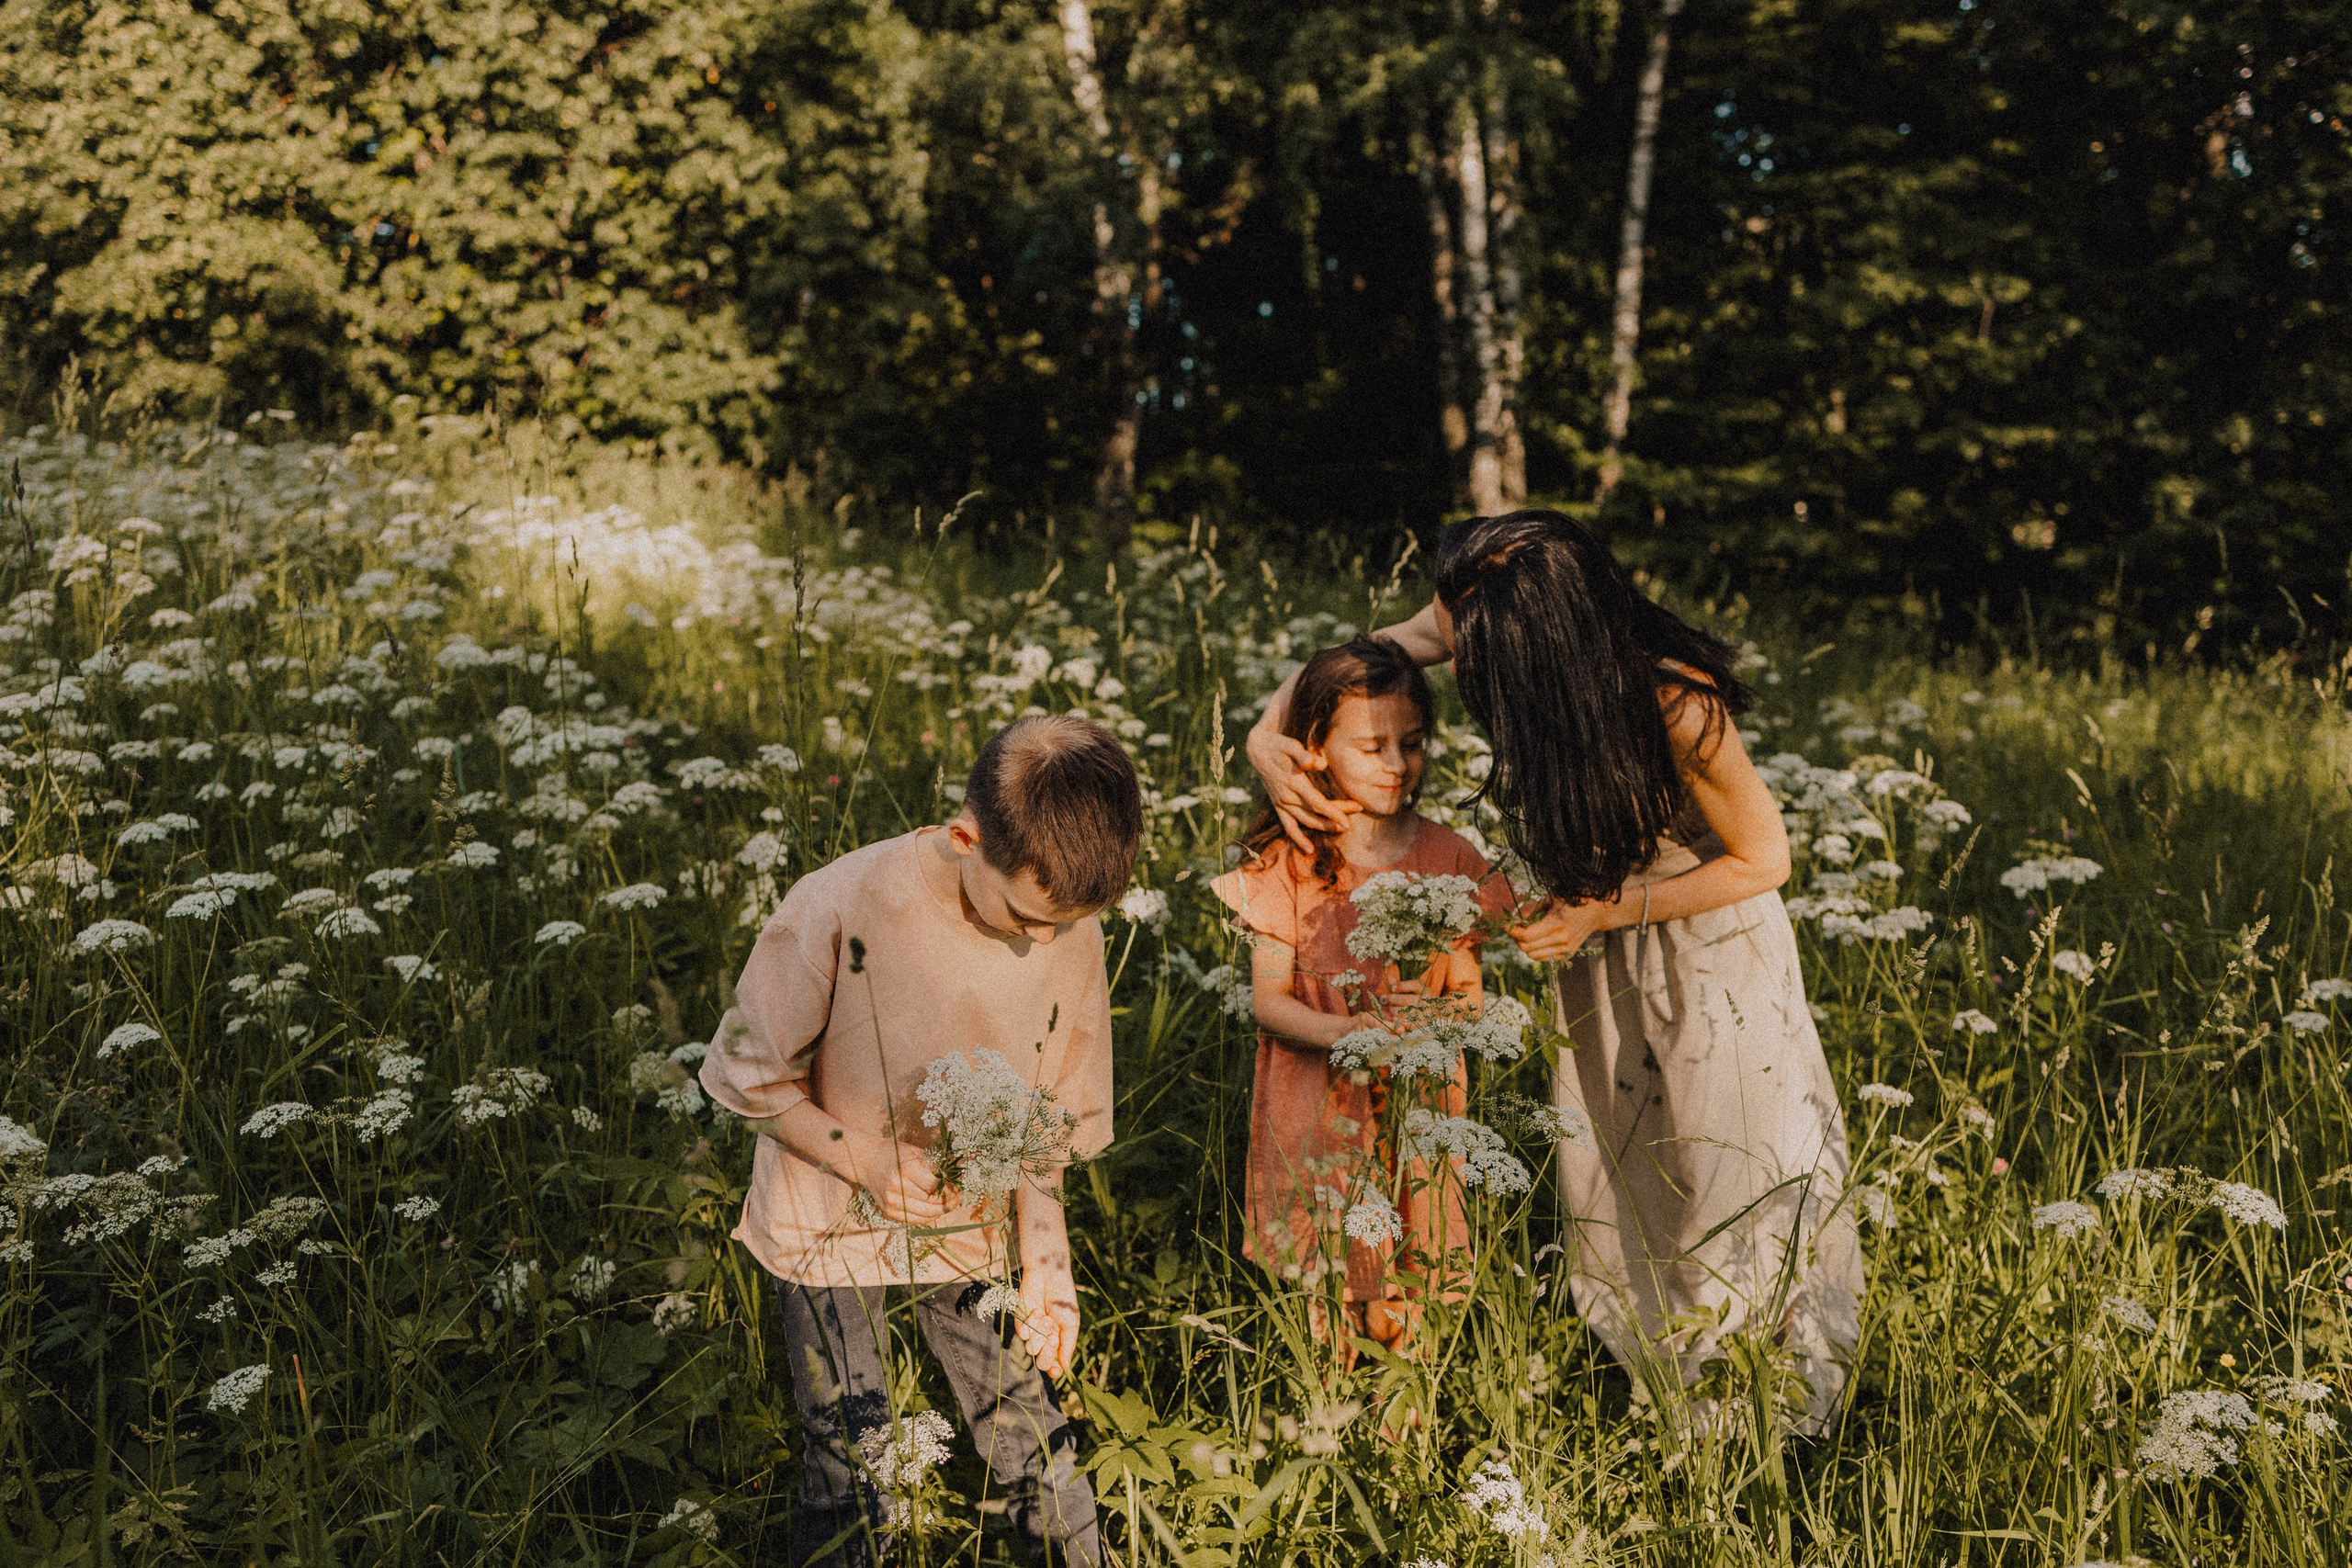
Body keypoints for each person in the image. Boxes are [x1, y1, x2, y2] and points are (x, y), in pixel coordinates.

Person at [1247, 512, 1862, 1433]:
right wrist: (1266, 733)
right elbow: (1368, 649)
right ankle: (1677, 1395)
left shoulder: (1675, 702)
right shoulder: (1481, 607)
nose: (1457, 655)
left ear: (1542, 642)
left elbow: (1764, 858)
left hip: (1703, 947)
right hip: (1600, 940)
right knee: (1625, 1172)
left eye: (1479, 649)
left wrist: (1603, 912)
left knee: (1730, 1171)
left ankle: (1782, 1417)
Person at [700, 715, 1141, 1566]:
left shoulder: (1066, 919)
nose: (1043, 942)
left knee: (1031, 1433)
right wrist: (862, 1157)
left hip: (974, 1224)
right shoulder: (841, 902)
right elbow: (746, 1076)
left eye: (1068, 924)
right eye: (1025, 916)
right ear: (965, 837)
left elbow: (1049, 1106)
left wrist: (1045, 1250)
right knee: (851, 1456)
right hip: (825, 1221)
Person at [1214, 637, 1514, 1352]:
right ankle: (1329, 1413)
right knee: (1330, 1283)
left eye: (1411, 743)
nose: (1397, 764)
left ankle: (1401, 1430)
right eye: (1372, 745)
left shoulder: (1452, 860)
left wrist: (1431, 1030)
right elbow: (1268, 999)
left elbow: (1469, 994)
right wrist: (1358, 1038)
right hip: (1318, 1108)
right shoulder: (1291, 859)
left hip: (1418, 1115)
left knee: (1406, 1285)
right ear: (1312, 749)